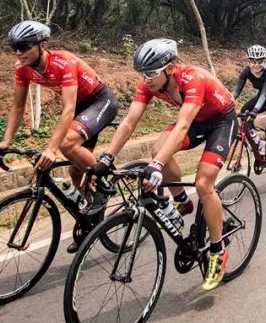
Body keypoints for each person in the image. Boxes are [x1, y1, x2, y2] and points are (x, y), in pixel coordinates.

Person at [89, 39, 236, 291]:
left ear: (169, 68)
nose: (146, 79)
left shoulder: (193, 78)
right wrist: (106, 158)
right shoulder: (150, 84)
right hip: (196, 121)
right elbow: (129, 122)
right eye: (142, 74)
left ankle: (217, 250)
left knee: (203, 185)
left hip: (221, 121)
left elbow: (182, 126)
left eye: (151, 73)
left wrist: (156, 166)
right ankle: (182, 201)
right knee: (158, 149)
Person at [0, 20, 118, 250]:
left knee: (67, 144)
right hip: (81, 109)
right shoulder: (21, 68)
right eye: (14, 47)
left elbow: (68, 109)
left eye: (24, 46)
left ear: (43, 45)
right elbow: (18, 106)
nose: (18, 52)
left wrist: (51, 149)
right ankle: (91, 220)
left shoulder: (63, 62)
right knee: (75, 171)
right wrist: (6, 141)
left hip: (100, 101)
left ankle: (104, 185)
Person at [231, 45, 266, 182]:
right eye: (253, 61)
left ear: (265, 60)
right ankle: (259, 144)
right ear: (248, 61)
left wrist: (255, 111)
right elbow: (237, 90)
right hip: (263, 98)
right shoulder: (247, 71)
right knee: (244, 111)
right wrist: (228, 102)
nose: (256, 64)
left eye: (259, 61)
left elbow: (264, 94)